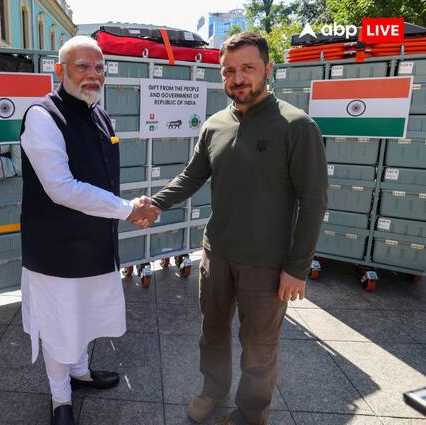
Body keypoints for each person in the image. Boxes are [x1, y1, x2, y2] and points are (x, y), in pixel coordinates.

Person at [142, 32, 328, 425]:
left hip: (267, 263)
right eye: (229, 71)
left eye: (247, 68)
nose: (237, 78)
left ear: (267, 69)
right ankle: (213, 389)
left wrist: (297, 267)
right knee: (212, 332)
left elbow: (313, 201)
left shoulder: (297, 126)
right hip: (217, 253)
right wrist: (155, 203)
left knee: (259, 346)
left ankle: (251, 412)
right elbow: (193, 175)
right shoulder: (215, 124)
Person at [19, 35, 157, 425]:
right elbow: (60, 187)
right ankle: (60, 397)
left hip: (94, 243)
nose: (93, 74)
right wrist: (128, 209)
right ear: (60, 71)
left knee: (84, 315)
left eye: (99, 67)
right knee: (58, 321)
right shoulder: (42, 116)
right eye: (83, 66)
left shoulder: (98, 112)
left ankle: (79, 372)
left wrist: (126, 208)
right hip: (55, 249)